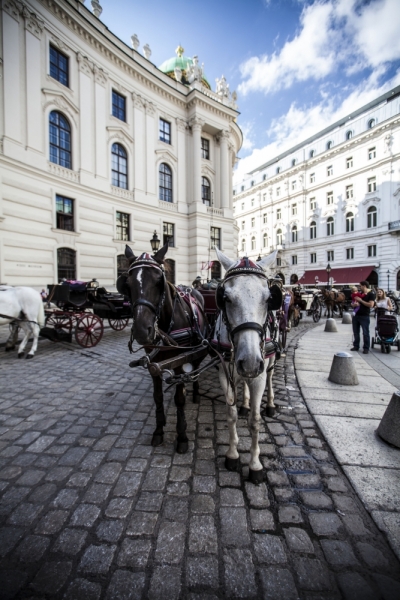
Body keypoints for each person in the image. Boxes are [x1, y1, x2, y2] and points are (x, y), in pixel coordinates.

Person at [351, 281, 376, 354]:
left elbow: (371, 305)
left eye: (360, 286)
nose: (359, 287)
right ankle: (356, 346)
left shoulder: (371, 294)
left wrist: (361, 300)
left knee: (365, 333)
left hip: (364, 315)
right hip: (356, 315)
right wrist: (353, 305)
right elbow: (353, 302)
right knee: (355, 332)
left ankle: (366, 348)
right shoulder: (359, 294)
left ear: (364, 286)